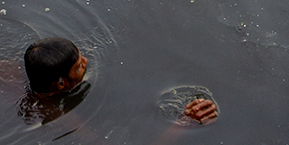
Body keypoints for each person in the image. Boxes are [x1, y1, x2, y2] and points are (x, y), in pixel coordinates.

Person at [20, 37, 218, 125]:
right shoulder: (59, 115)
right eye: (80, 66)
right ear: (61, 84)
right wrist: (182, 121)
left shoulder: (9, 71)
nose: (87, 62)